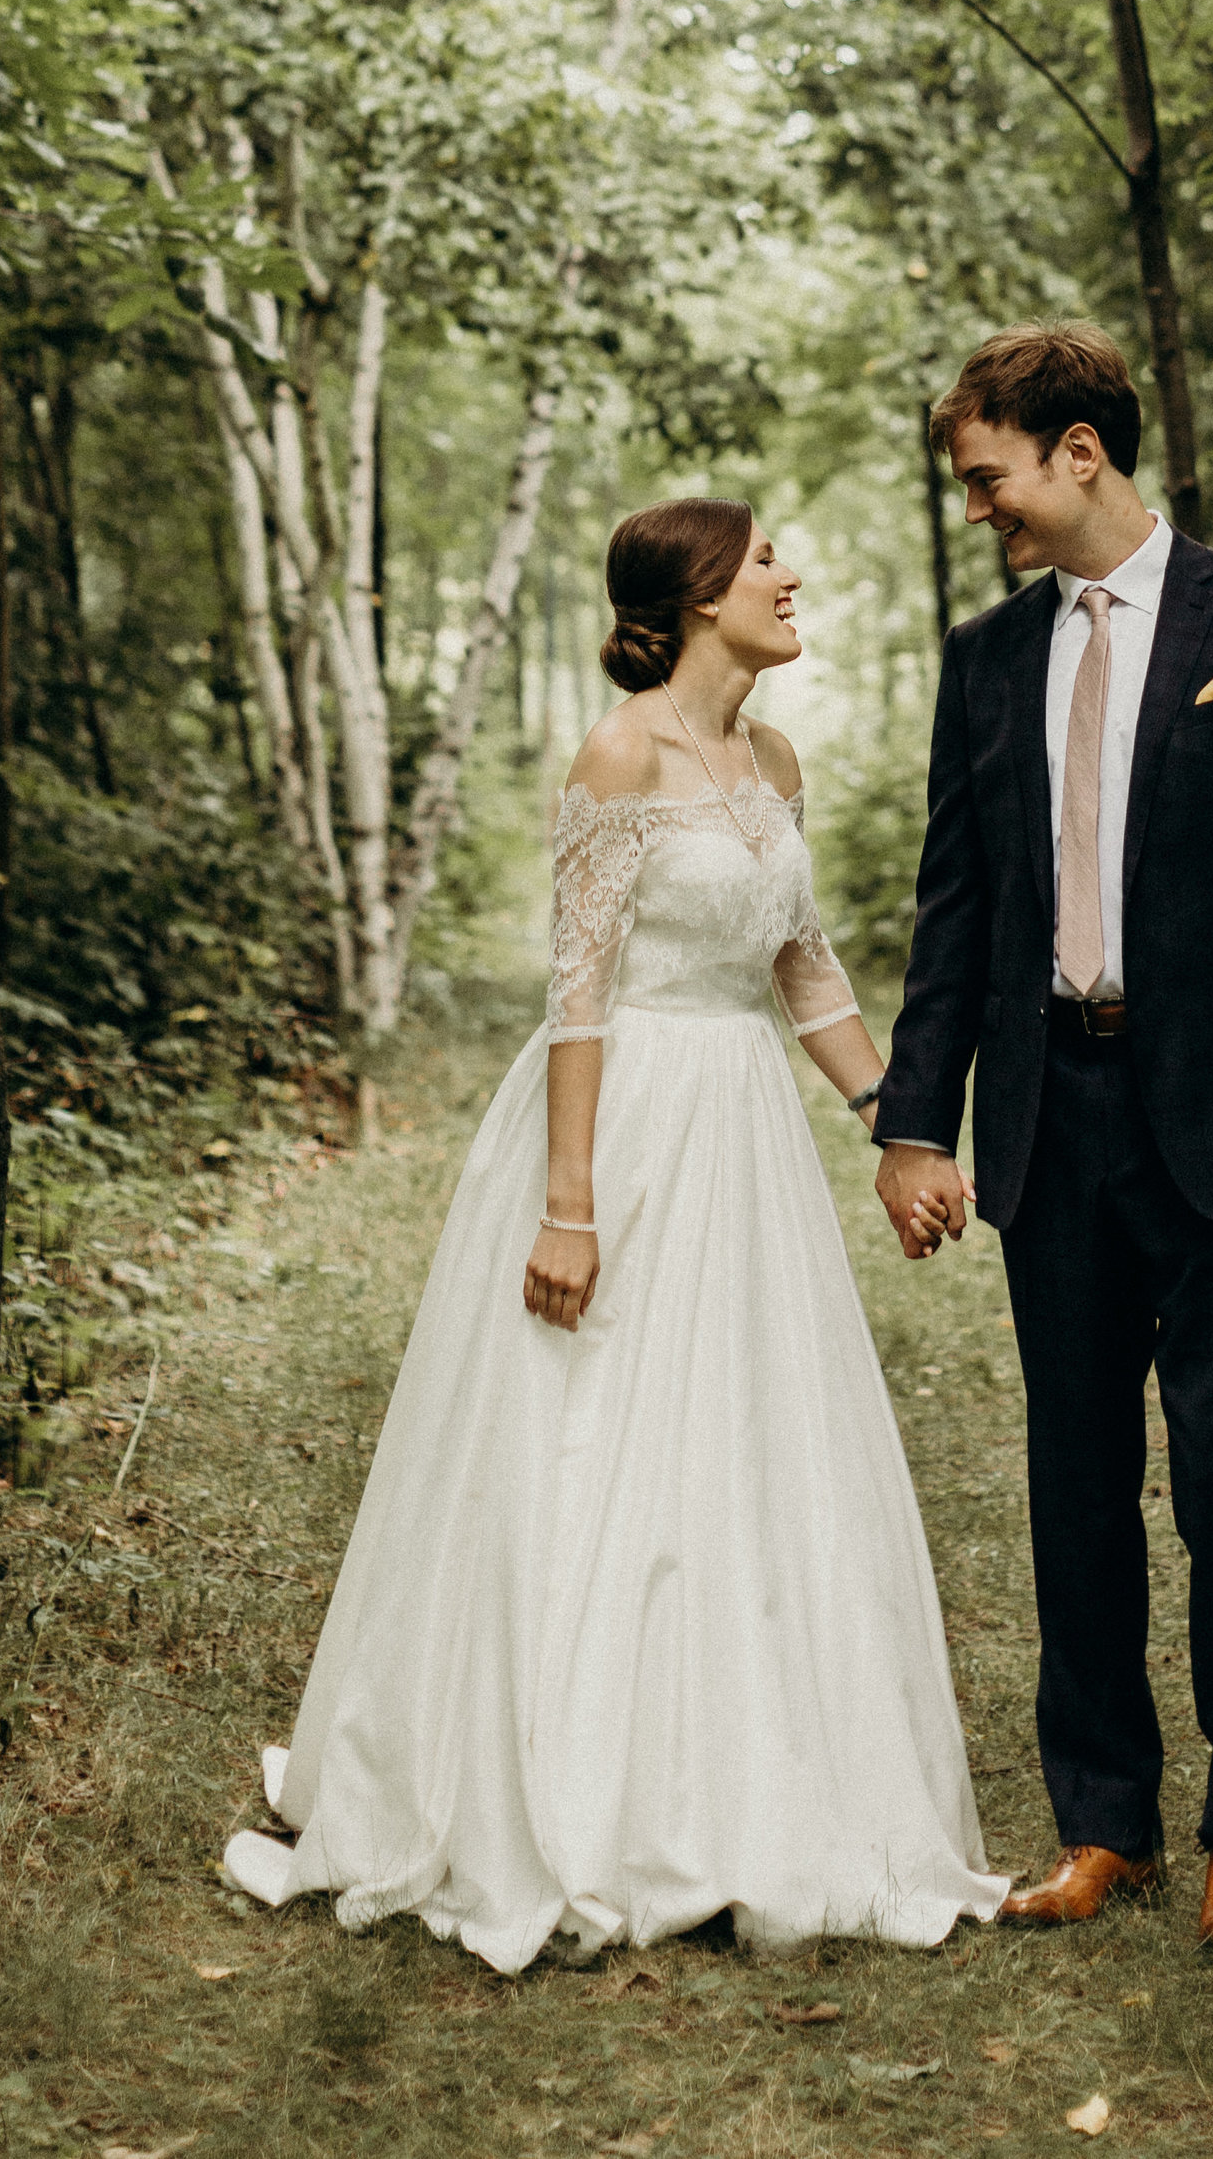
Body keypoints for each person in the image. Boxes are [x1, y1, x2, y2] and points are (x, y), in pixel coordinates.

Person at [222, 494, 1006, 1970]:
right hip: (628, 1118)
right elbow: (576, 992)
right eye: (768, 554)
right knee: (590, 1435)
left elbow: (802, 960)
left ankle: (746, 1768)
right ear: (701, 592)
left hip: (747, 1134)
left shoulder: (771, 755)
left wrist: (894, 1128)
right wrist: (567, 1207)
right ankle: (569, 1779)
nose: (792, 572)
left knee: (747, 1442)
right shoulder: (620, 750)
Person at [872, 322, 1213, 1955]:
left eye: (990, 476)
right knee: (1075, 1477)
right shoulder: (984, 661)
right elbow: (955, 909)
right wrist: (915, 1119)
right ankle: (1101, 1816)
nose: (981, 508)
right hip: (1055, 1124)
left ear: (1079, 452)